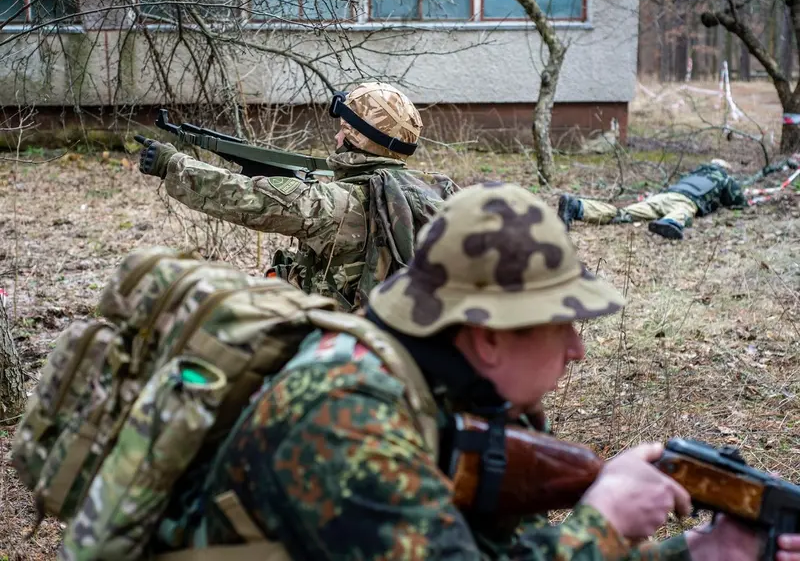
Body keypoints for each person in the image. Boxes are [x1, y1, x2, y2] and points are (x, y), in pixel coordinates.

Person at [174, 182, 800, 560]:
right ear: (489, 337)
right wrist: (605, 520)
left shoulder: (452, 394)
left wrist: (702, 551)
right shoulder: (344, 415)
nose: (577, 349)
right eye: (563, 325)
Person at [135, 82, 460, 311]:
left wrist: (172, 164)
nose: (336, 135)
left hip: (339, 335)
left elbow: (246, 197)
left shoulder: (338, 204)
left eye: (343, 129)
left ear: (354, 139)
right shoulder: (433, 191)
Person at [557, 159, 746, 240]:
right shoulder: (722, 177)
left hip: (662, 197)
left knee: (625, 214)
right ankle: (669, 223)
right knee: (683, 212)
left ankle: (578, 206)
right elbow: (737, 201)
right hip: (685, 201)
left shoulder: (695, 173)